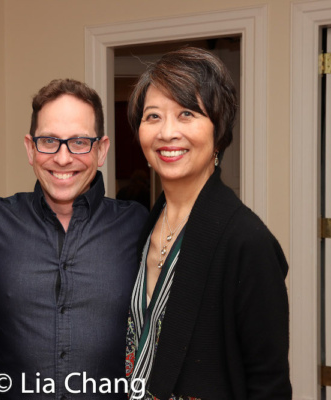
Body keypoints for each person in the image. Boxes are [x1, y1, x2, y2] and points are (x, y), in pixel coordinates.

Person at [124, 47, 291, 400]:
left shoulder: (247, 242)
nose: (167, 132)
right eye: (153, 116)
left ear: (219, 130)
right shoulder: (146, 222)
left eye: (187, 113)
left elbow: (269, 382)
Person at [0, 78, 148, 399]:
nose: (63, 158)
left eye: (79, 142)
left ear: (101, 149)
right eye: (49, 141)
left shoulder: (138, 227)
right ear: (30, 148)